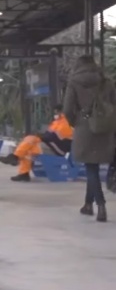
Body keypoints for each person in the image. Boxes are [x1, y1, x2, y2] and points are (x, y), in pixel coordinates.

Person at [63, 55, 115, 223]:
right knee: (93, 165)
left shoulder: (74, 82)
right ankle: (87, 204)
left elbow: (68, 108)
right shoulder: (106, 81)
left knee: (91, 168)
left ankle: (101, 206)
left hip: (85, 127)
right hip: (106, 128)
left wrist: (76, 122)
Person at [0, 105, 73, 182]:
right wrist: (40, 137)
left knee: (31, 140)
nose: (55, 113)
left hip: (59, 149)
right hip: (52, 145)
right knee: (28, 149)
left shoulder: (66, 123)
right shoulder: (57, 122)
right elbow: (48, 135)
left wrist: (39, 137)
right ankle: (23, 173)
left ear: (62, 112)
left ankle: (15, 157)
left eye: (57, 111)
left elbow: (54, 137)